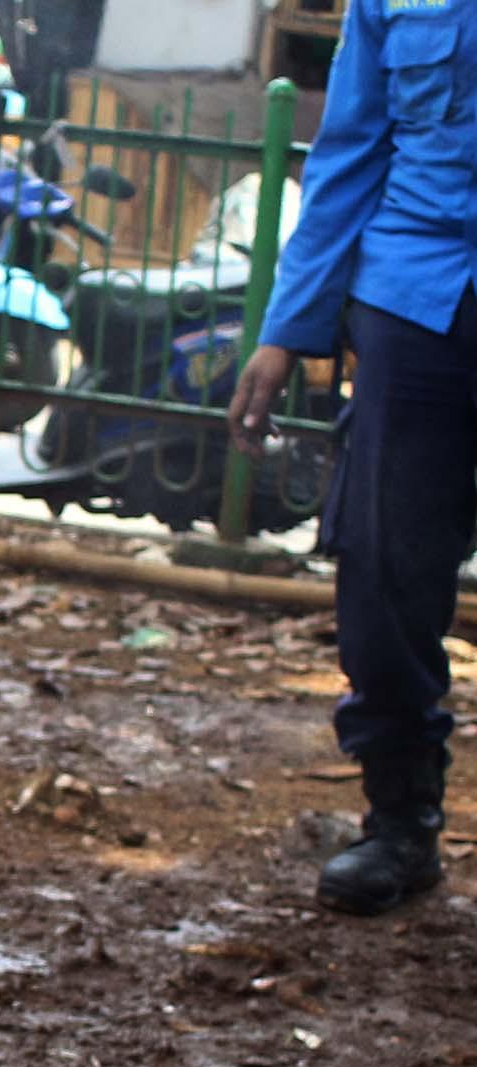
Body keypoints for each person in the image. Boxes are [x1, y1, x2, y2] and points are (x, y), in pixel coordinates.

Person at [229, 0, 472, 918]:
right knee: (382, 565)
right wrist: (287, 327)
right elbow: (351, 149)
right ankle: (401, 822)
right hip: (416, 297)